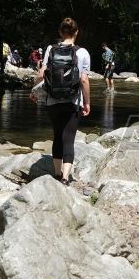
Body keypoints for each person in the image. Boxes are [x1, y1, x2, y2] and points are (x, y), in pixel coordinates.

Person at [31, 17, 91, 185]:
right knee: (69, 139)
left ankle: (57, 174)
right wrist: (87, 102)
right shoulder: (83, 52)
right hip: (73, 102)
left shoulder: (51, 48)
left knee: (57, 136)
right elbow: (84, 80)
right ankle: (65, 177)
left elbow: (41, 74)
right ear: (77, 32)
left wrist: (34, 91)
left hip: (53, 100)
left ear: (60, 32)